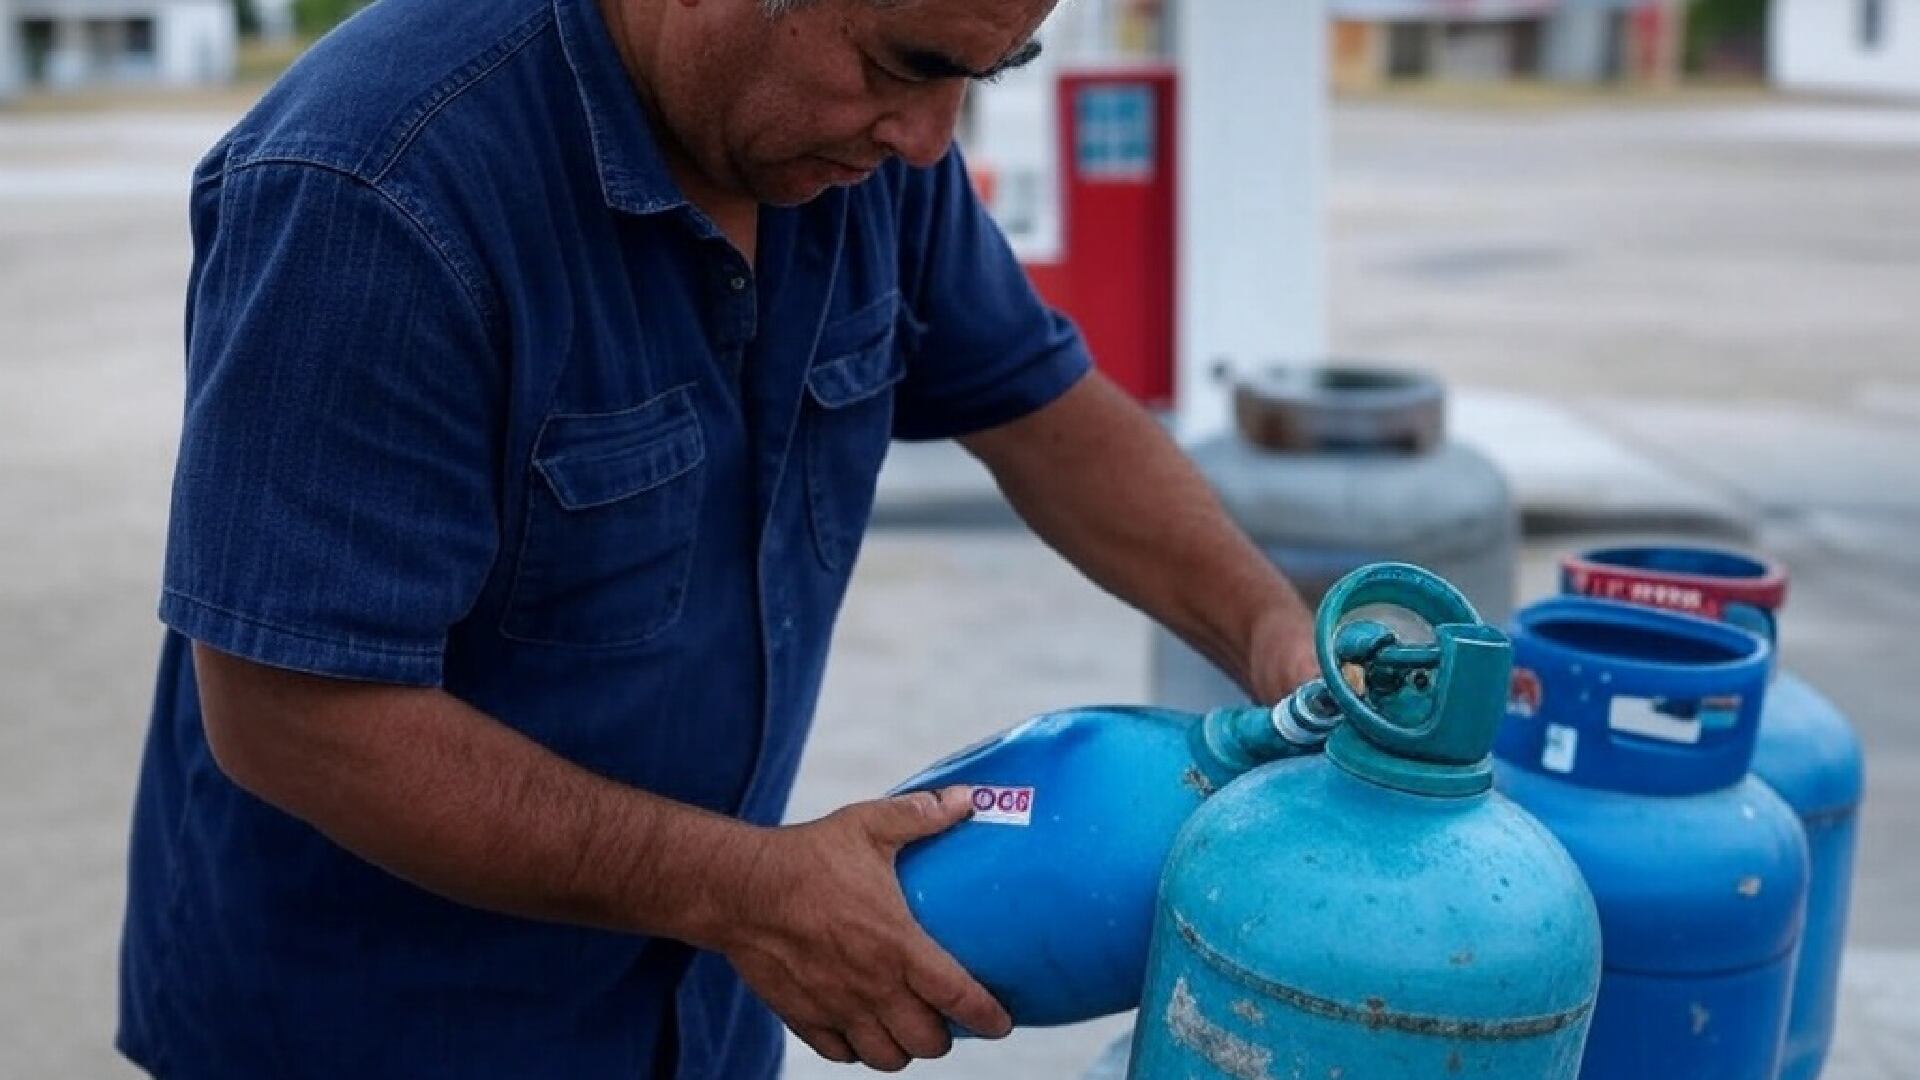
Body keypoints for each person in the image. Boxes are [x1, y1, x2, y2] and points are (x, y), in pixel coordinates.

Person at [116, 0, 1320, 1075]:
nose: (929, 138)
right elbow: (294, 721)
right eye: (905, 65)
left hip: (693, 1015)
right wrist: (749, 892)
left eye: (981, 76)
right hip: (377, 1029)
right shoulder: (372, 185)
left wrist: (1271, 631)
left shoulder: (860, 150)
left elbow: (1042, 412)